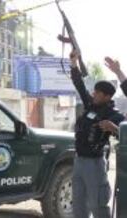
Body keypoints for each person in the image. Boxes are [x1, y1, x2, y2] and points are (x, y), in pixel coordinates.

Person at [70, 51, 125, 218]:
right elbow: (79, 85)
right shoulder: (90, 105)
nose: (93, 94)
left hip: (95, 164)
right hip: (78, 161)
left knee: (97, 204)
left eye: (98, 93)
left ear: (107, 97)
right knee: (78, 204)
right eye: (94, 91)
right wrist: (74, 64)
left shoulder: (114, 114)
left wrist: (113, 127)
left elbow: (124, 134)